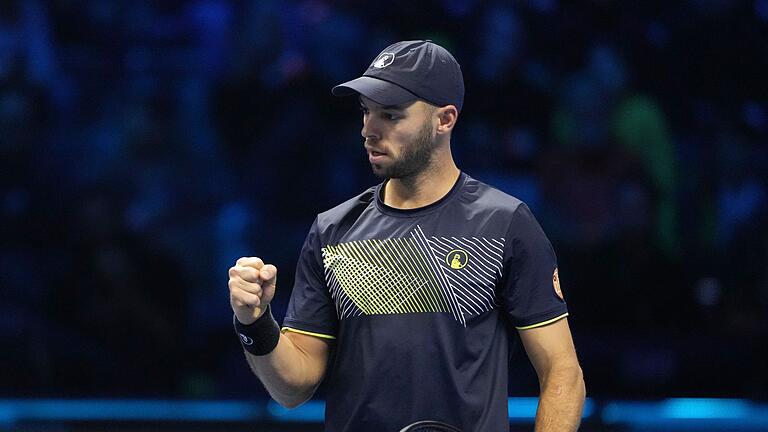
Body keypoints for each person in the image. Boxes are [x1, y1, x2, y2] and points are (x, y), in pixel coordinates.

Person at [228, 40, 585, 431]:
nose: (368, 130)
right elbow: (292, 389)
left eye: (390, 115)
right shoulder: (332, 231)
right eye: (366, 112)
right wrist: (255, 322)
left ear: (445, 119)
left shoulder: (504, 224)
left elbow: (562, 374)